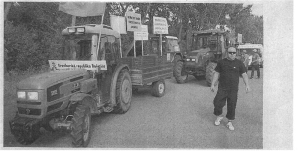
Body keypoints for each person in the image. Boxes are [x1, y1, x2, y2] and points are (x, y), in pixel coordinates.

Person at [210, 47, 251, 131]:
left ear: (236, 53)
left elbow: (244, 74)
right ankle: (219, 116)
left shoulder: (239, 63)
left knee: (232, 105)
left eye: (234, 53)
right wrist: (213, 84)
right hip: (222, 88)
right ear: (227, 53)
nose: (232, 54)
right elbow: (217, 73)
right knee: (217, 102)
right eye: (230, 52)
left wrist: (247, 85)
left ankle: (229, 122)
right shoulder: (221, 62)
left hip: (233, 89)